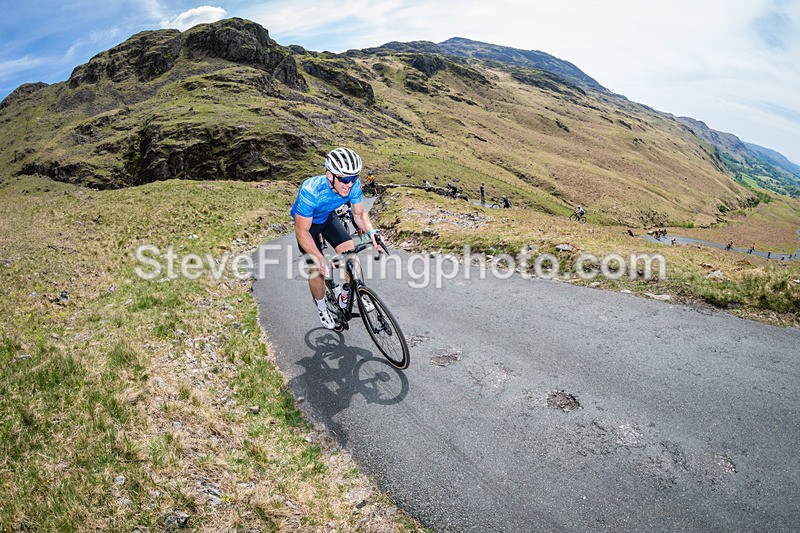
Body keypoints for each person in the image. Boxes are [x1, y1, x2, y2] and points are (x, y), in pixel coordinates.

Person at [291, 147, 382, 329]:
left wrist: (371, 232)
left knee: (351, 255)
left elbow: (359, 214)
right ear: (329, 175)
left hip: (328, 217)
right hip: (309, 226)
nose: (349, 184)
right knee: (317, 269)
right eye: (345, 179)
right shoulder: (311, 191)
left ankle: (352, 293)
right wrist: (319, 257)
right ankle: (322, 308)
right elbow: (302, 232)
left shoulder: (353, 186)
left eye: (354, 178)